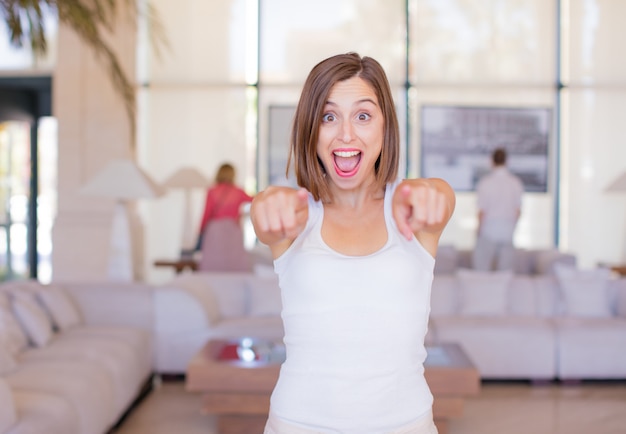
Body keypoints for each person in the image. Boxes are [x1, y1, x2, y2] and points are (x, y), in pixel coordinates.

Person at [251, 53, 455, 434]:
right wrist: (265, 204)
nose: (346, 134)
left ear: (385, 127)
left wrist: (433, 192)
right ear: (311, 128)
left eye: (363, 116)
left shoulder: (412, 209)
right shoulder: (294, 215)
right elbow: (264, 211)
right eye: (329, 117)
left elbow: (440, 195)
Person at [473, 148, 524, 271]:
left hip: (488, 231)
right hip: (507, 232)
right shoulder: (515, 183)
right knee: (505, 274)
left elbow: (482, 212)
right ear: (507, 161)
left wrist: (478, 231)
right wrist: (512, 228)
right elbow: (518, 211)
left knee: (481, 272)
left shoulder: (485, 183)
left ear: (492, 161)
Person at [196, 162, 253, 272]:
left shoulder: (212, 191)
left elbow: (206, 213)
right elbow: (254, 200)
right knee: (233, 261)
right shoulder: (238, 191)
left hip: (215, 230)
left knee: (214, 261)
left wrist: (200, 231)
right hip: (233, 229)